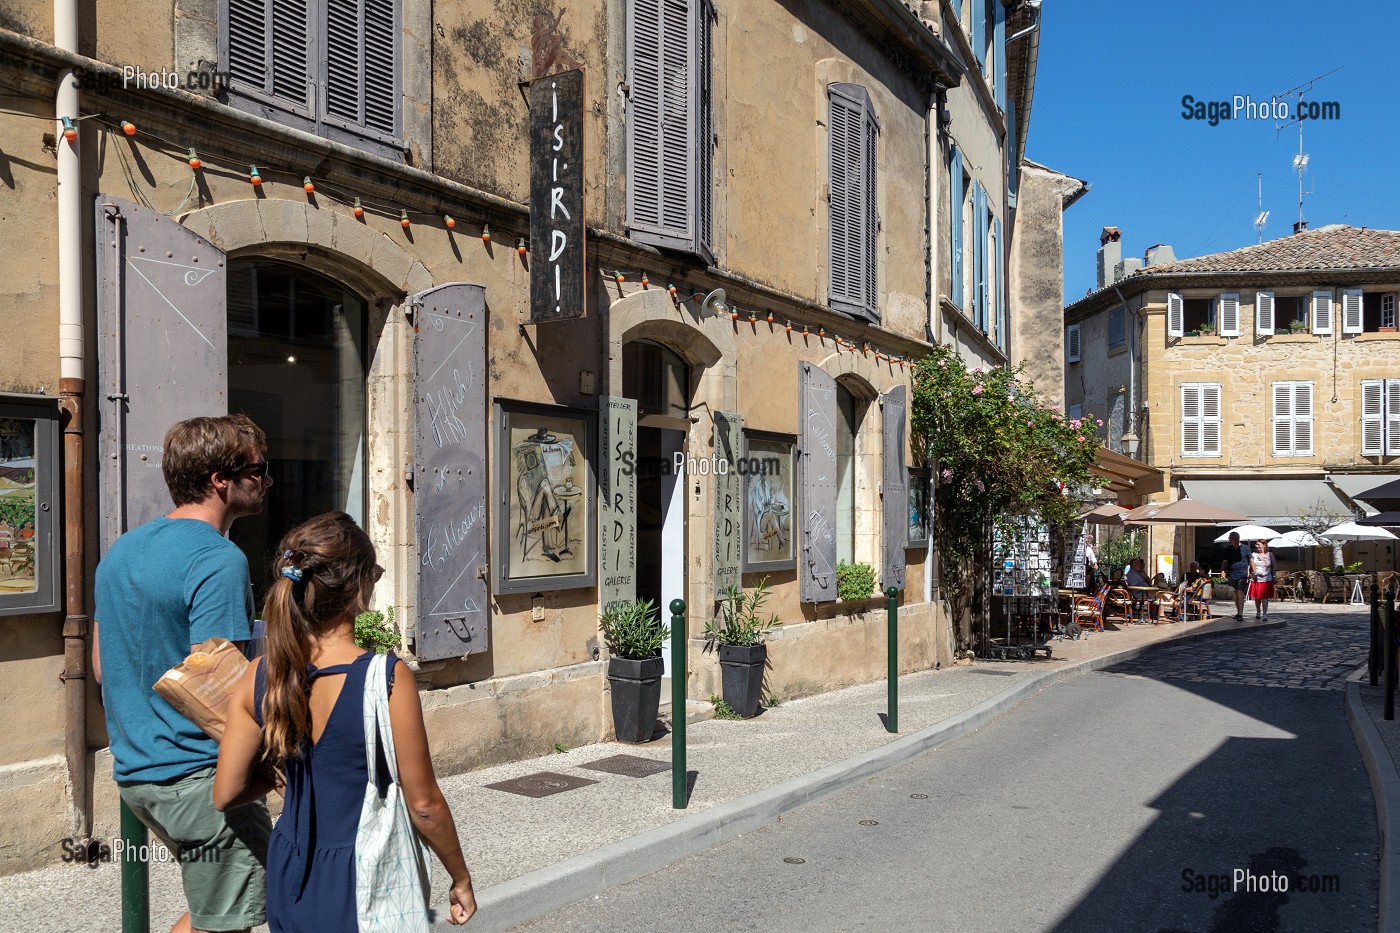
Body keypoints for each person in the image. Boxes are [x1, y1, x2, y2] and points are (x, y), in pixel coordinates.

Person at [214, 512, 477, 931]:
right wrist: (460, 877)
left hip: (290, 869)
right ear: (358, 588)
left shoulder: (259, 674)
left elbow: (226, 793)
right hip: (361, 879)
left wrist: (286, 772)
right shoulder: (387, 677)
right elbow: (424, 805)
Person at [93, 414, 274, 933]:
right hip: (199, 777)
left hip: (137, 773)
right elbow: (220, 689)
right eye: (259, 469)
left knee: (215, 913)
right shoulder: (218, 559)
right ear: (221, 480)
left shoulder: (122, 550)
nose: (266, 480)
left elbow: (104, 668)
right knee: (228, 920)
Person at [1221, 531, 1250, 621]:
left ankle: (1241, 613)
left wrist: (1251, 572)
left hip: (1242, 574)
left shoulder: (1245, 548)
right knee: (1235, 594)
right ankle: (1238, 612)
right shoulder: (1228, 549)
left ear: (1235, 538)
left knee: (1240, 593)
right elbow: (1225, 561)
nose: (1229, 540)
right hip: (1232, 574)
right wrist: (1222, 570)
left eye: (1230, 538)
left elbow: (1251, 561)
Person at [1248, 538, 1278, 622]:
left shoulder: (1270, 554)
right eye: (1256, 545)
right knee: (1257, 597)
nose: (1257, 546)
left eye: (1259, 545)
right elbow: (1250, 566)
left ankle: (1265, 613)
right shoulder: (1253, 555)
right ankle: (1258, 611)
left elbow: (1274, 565)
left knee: (1265, 597)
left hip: (1267, 578)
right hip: (1256, 579)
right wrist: (1250, 575)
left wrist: (1274, 576)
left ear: (1264, 545)